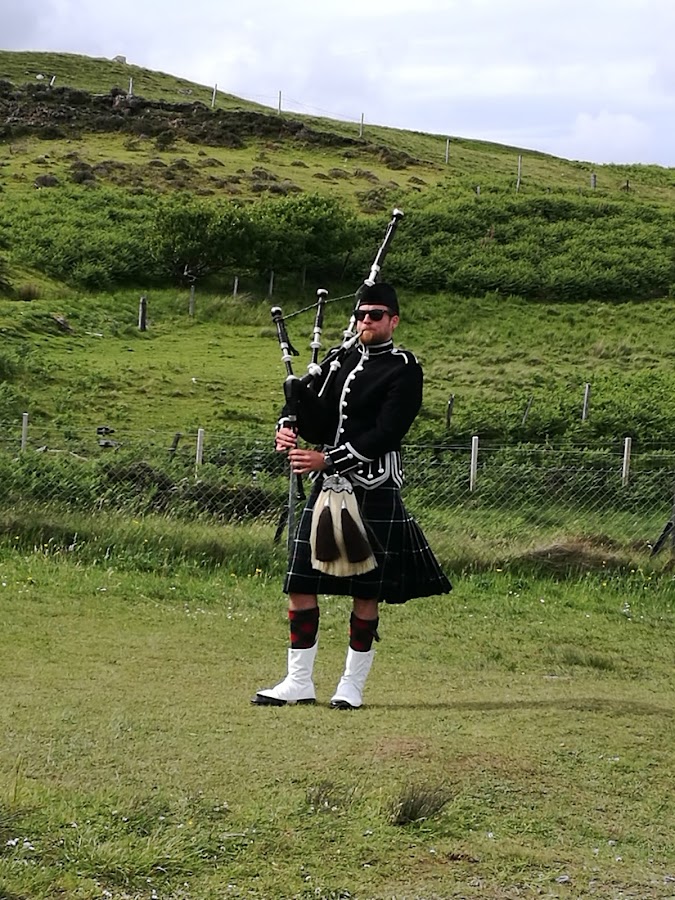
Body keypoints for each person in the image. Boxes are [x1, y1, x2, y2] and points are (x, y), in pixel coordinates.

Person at [252, 282, 451, 709]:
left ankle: (351, 686)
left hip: (373, 486)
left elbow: (388, 432)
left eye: (376, 315)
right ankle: (298, 681)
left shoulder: (404, 369)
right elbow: (320, 419)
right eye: (361, 314)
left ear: (394, 320)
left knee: (366, 592)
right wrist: (289, 424)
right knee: (300, 583)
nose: (366, 321)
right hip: (329, 488)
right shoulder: (341, 360)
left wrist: (328, 461)